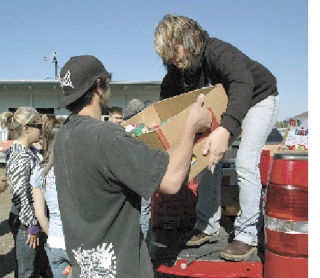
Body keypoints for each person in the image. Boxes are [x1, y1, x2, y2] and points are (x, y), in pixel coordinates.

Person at [53, 55, 212, 277]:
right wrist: (191, 125)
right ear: (99, 86)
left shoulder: (63, 136)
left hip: (85, 269)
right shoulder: (108, 137)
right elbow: (172, 181)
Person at [154, 14, 280, 261]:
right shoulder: (176, 69)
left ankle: (247, 235)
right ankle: (207, 226)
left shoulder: (218, 51)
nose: (172, 60)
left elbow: (243, 83)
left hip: (258, 98)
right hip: (227, 103)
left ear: (190, 40)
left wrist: (225, 129)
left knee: (245, 161)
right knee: (206, 161)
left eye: (174, 52)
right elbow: (168, 102)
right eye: (167, 57)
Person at [0, 107, 52, 277]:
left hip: (34, 216)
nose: (41, 130)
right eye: (38, 126)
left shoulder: (30, 151)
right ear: (27, 128)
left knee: (38, 266)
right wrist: (31, 226)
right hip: (26, 220)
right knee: (27, 271)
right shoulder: (19, 156)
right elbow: (22, 194)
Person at [31, 115, 71, 278]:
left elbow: (39, 214)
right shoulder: (76, 171)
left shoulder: (39, 172)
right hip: (77, 243)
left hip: (54, 242)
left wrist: (51, 234)